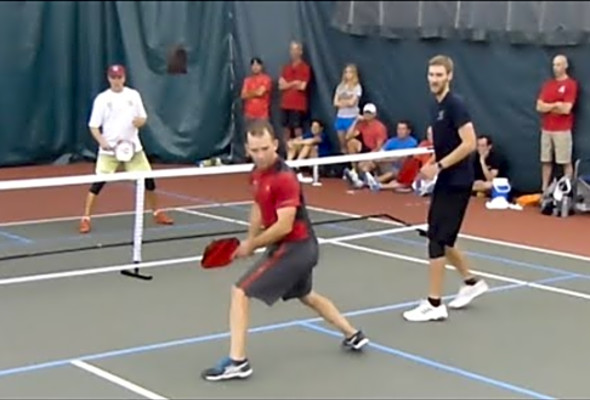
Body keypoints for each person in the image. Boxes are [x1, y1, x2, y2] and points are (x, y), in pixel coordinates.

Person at [201, 120, 369, 382]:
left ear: (276, 145)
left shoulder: (284, 178)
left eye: (264, 148)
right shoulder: (256, 174)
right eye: (254, 150)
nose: (260, 155)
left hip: (296, 247)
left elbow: (283, 226)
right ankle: (353, 334)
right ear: (247, 148)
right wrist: (250, 238)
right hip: (291, 247)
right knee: (306, 295)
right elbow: (258, 206)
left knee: (240, 291)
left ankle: (237, 362)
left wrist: (251, 245)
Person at [402, 55, 489, 323]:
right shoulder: (435, 106)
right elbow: (445, 146)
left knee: (437, 238)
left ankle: (434, 303)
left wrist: (438, 166)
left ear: (449, 76)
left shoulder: (455, 105)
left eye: (440, 75)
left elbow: (469, 143)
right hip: (445, 179)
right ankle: (471, 282)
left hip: (458, 180)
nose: (434, 79)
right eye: (431, 74)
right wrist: (430, 166)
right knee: (442, 235)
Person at [79, 64, 173, 234]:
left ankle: (157, 212)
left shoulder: (133, 95)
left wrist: (140, 122)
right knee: (98, 184)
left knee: (149, 181)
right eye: (113, 78)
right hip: (110, 151)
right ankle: (85, 218)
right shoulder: (102, 99)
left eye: (119, 77)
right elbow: (93, 126)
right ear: (108, 78)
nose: (117, 81)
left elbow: (143, 118)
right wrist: (102, 141)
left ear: (124, 78)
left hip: (133, 149)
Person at [536, 54, 578, 193]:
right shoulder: (548, 85)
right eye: (554, 65)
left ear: (565, 66)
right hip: (546, 128)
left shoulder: (571, 84)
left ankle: (566, 192)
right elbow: (539, 106)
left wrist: (549, 106)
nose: (555, 68)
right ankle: (544, 190)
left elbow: (566, 109)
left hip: (563, 130)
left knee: (565, 161)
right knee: (546, 161)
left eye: (559, 64)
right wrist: (555, 105)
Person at [333, 64, 362, 154]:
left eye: (350, 72)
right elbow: (335, 103)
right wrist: (346, 102)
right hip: (340, 117)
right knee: (343, 145)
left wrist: (342, 102)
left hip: (352, 117)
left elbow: (352, 103)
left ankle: (354, 166)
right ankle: (346, 165)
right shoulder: (340, 87)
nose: (348, 74)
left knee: (350, 141)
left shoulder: (357, 87)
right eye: (346, 72)